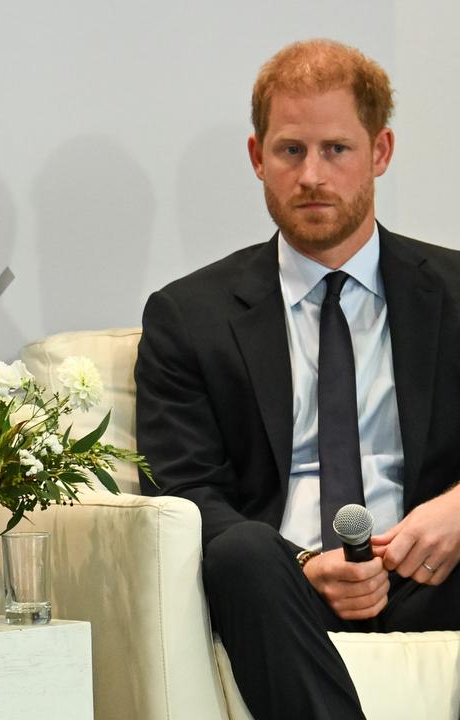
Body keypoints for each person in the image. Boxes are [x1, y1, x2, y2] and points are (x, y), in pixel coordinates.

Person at [135, 39, 460, 719]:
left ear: (381, 152)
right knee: (244, 552)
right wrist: (308, 562)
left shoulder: (456, 293)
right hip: (283, 589)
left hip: (432, 572)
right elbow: (184, 488)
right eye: (290, 150)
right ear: (258, 157)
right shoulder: (188, 317)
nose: (312, 175)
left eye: (337, 149)